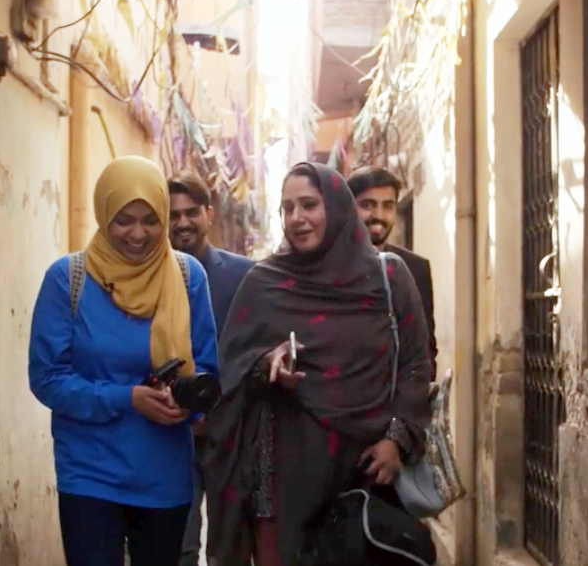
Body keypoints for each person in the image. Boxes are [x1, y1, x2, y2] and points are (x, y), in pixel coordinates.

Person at [204, 162, 432, 566]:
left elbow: (414, 363)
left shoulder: (387, 277)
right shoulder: (264, 283)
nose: (297, 218)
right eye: (287, 208)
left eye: (309, 204)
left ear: (336, 206)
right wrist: (267, 364)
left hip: (367, 471)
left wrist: (397, 439)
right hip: (284, 479)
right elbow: (232, 370)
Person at [28, 156, 218, 566]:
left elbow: (207, 370)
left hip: (164, 475)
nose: (137, 233)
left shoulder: (188, 277)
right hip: (89, 473)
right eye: (123, 219)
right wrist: (125, 398)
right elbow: (47, 379)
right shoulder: (68, 280)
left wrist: (185, 400)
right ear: (103, 216)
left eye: (150, 220)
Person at [167, 172, 254, 566]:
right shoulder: (148, 278)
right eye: (173, 215)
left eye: (190, 213)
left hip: (228, 435)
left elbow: (255, 349)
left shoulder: (243, 275)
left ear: (209, 213)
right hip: (169, 434)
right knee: (177, 546)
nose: (182, 222)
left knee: (228, 546)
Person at [346, 166, 438, 378]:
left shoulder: (415, 269)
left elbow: (425, 349)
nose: (378, 215)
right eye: (367, 205)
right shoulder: (330, 266)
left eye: (388, 206)